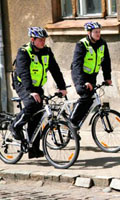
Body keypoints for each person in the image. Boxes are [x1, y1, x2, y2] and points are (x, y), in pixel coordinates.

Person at [10, 27, 67, 159]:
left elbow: (55, 70)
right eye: (40, 40)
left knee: (37, 117)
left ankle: (33, 149)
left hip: (37, 86)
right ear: (33, 40)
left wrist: (62, 87)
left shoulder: (46, 51)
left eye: (44, 40)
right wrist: (31, 91)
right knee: (31, 104)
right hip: (23, 85)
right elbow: (23, 74)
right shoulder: (24, 52)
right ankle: (15, 126)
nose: (43, 42)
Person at [69, 22, 112, 129]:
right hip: (80, 75)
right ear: (89, 33)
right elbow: (77, 65)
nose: (98, 34)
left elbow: (106, 62)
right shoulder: (82, 44)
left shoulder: (102, 44)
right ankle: (71, 122)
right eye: (95, 32)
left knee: (90, 100)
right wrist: (83, 81)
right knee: (85, 96)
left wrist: (107, 78)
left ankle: (76, 125)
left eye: (99, 32)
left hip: (92, 76)